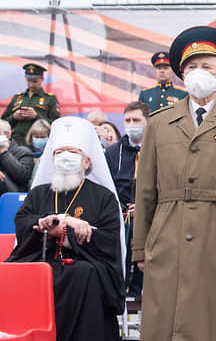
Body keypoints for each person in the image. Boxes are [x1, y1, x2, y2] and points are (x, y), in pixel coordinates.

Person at [132, 26, 216, 341]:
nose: (199, 73)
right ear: (181, 74)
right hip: (166, 233)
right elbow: (146, 192)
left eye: (207, 66)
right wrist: (140, 246)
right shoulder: (158, 123)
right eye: (192, 67)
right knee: (163, 317)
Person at [5, 116, 125, 341]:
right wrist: (63, 222)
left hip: (87, 270)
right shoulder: (39, 193)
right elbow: (22, 223)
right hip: (41, 262)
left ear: (87, 161)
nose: (65, 157)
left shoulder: (104, 198)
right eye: (59, 153)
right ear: (51, 160)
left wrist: (64, 232)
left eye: (73, 152)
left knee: (83, 274)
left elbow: (108, 239)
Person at [104, 101, 149, 298]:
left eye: (136, 120)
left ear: (147, 122)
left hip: (149, 214)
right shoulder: (113, 152)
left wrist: (144, 207)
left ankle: (141, 291)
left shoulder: (158, 148)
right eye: (127, 120)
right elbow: (106, 185)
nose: (132, 124)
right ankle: (118, 291)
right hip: (120, 215)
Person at [1, 63, 61, 145]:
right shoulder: (17, 98)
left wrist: (36, 116)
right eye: (29, 81)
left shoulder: (50, 99)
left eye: (35, 81)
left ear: (42, 79)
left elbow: (56, 124)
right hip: (16, 142)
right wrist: (14, 117)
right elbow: (3, 123)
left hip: (37, 143)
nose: (31, 84)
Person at [0, 120, 35, 194]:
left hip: (13, 197)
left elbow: (23, 177)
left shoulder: (24, 152)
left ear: (7, 135)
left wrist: (4, 153)